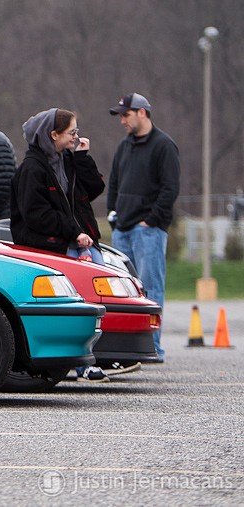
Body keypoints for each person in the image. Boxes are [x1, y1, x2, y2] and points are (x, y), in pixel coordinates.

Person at [10, 107, 109, 382]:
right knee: (77, 303)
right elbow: (36, 215)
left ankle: (92, 358)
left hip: (82, 241)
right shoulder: (32, 169)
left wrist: (83, 158)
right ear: (53, 135)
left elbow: (94, 190)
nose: (76, 137)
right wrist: (73, 233)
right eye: (71, 132)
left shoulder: (68, 160)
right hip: (55, 246)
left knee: (97, 299)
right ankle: (80, 363)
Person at [107, 92, 180, 362]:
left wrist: (150, 220)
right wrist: (113, 215)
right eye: (120, 116)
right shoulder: (124, 146)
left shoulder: (164, 145)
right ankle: (127, 348)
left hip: (148, 231)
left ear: (142, 113)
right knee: (123, 291)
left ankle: (153, 347)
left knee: (151, 288)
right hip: (123, 229)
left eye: (126, 115)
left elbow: (170, 188)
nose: (122, 121)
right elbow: (114, 183)